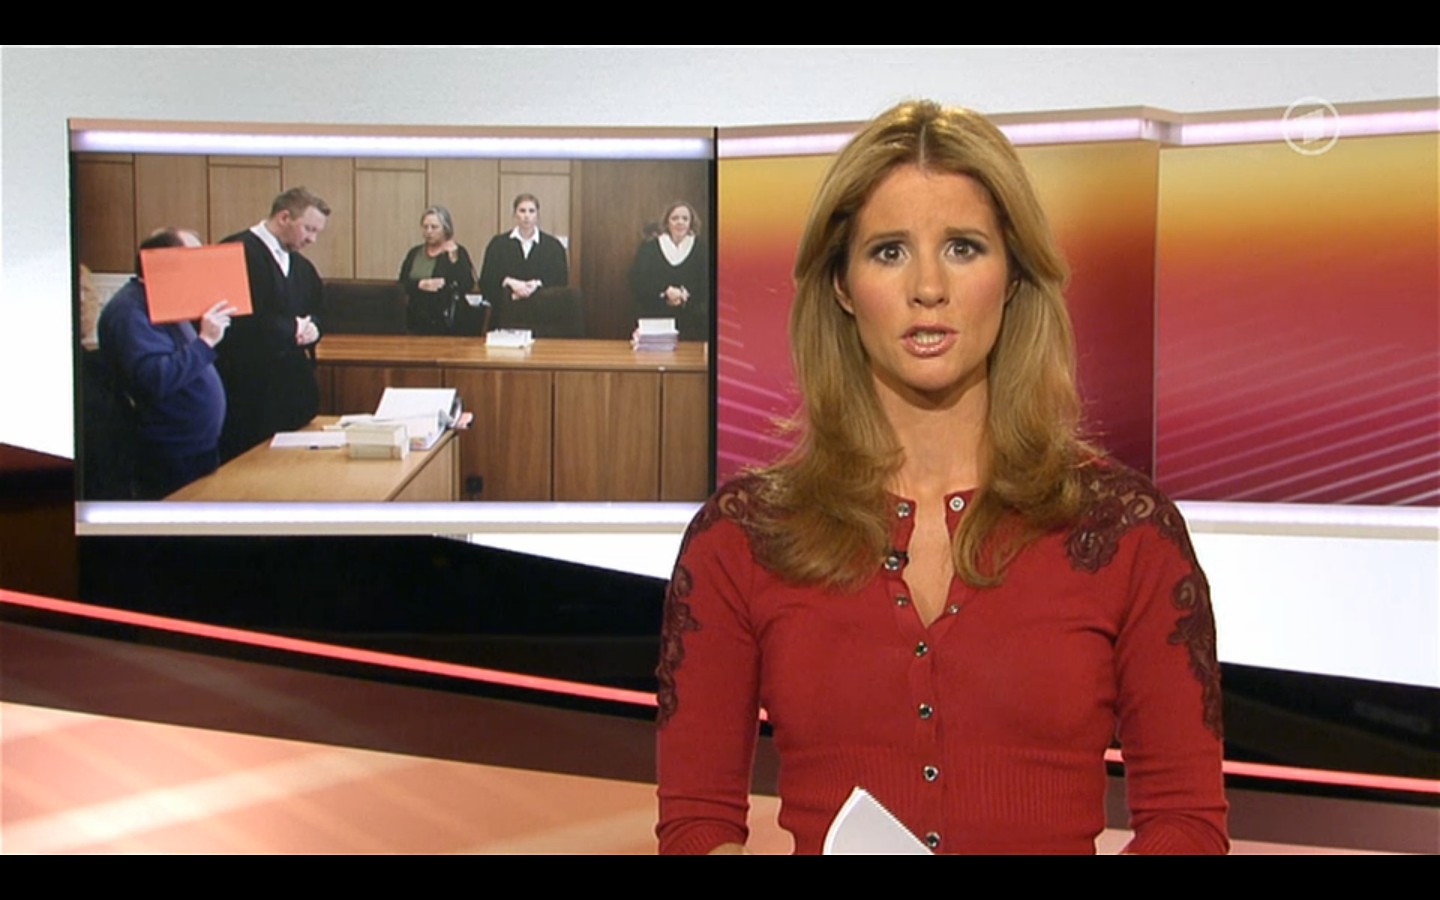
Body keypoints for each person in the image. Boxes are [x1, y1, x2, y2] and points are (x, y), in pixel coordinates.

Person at [655, 101, 1227, 855]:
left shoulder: (1125, 534)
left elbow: (1187, 824)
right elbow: (697, 826)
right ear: (841, 284)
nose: (928, 287)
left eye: (963, 247)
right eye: (889, 251)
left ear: (1013, 274)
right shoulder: (741, 540)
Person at [97, 228, 235, 499]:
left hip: (194, 447)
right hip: (170, 451)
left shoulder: (165, 300)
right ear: (165, 263)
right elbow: (154, 379)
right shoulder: (130, 311)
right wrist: (206, 341)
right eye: (193, 261)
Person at [216, 186, 329, 462]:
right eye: (308, 229)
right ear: (284, 217)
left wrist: (313, 328)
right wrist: (292, 329)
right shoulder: (234, 251)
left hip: (290, 397)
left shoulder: (301, 267)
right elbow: (236, 320)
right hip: (247, 393)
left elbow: (318, 311)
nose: (312, 239)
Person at [478, 193, 572, 333]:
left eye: (531, 211)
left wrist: (537, 285)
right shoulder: (498, 244)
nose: (526, 216)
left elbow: (561, 281)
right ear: (514, 214)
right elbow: (486, 281)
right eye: (522, 211)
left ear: (537, 215)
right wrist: (509, 283)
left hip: (542, 319)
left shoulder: (553, 246)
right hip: (505, 317)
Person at [630, 200, 708, 341]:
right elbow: (637, 279)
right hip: (655, 317)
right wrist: (665, 291)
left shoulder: (702, 249)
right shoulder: (649, 248)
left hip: (692, 321)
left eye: (685, 218)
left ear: (691, 223)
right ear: (667, 222)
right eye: (675, 218)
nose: (680, 222)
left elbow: (707, 284)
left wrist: (683, 295)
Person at [398, 205, 476, 335]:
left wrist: (454, 260)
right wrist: (420, 284)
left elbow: (466, 284)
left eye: (434, 227)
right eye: (425, 227)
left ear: (445, 228)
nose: (429, 231)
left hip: (446, 321)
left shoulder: (457, 252)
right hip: (416, 318)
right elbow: (402, 283)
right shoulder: (415, 253)